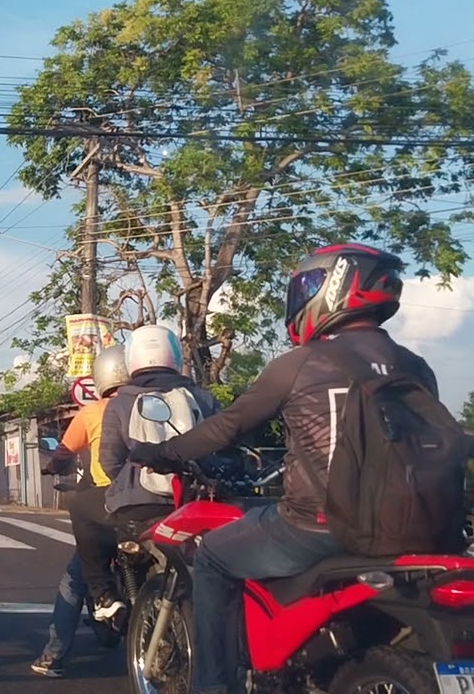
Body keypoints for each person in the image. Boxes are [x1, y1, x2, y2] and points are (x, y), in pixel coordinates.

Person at [128, 243, 438, 694]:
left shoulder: (300, 365)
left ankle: (215, 687)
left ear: (332, 291)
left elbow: (225, 429)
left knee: (214, 556)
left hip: (322, 525)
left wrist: (161, 452)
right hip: (424, 526)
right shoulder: (416, 367)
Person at [71, 324, 221, 624]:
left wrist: (127, 484)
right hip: (195, 503)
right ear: (175, 356)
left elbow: (110, 459)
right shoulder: (203, 398)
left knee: (79, 506)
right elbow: (222, 449)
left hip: (139, 505)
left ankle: (103, 593)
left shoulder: (120, 403)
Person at [31, 343, 130, 678]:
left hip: (108, 505)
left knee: (75, 580)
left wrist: (52, 467)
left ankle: (53, 656)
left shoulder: (92, 413)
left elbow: (61, 455)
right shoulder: (158, 402)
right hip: (160, 504)